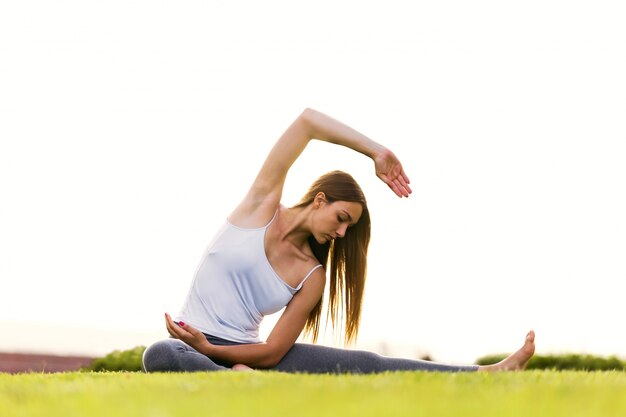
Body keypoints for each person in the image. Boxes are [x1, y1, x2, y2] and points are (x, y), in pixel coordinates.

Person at [142, 108, 535, 374]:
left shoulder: (312, 275)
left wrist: (217, 353)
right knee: (160, 354)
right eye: (342, 218)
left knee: (365, 362)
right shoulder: (260, 206)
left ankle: (489, 372)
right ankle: (237, 381)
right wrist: (375, 151)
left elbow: (273, 351)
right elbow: (307, 121)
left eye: (349, 229)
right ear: (319, 199)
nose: (341, 233)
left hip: (245, 355)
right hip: (190, 347)